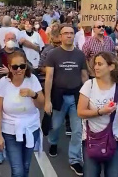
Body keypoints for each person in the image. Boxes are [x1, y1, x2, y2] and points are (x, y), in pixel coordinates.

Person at [77, 52, 118, 177]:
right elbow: (80, 112)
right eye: (95, 64)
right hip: (92, 139)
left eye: (100, 64)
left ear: (111, 67)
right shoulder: (89, 85)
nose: (96, 67)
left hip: (116, 139)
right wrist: (100, 112)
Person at [44, 24, 89, 176]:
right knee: (56, 125)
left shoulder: (80, 54)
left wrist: (89, 95)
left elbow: (84, 76)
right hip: (58, 96)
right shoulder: (53, 54)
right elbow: (49, 78)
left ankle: (74, 159)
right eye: (66, 33)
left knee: (77, 130)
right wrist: (47, 100)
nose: (69, 35)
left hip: (77, 96)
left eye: (71, 33)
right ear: (60, 36)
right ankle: (53, 142)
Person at [0, 51, 44, 177]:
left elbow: (41, 104)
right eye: (15, 67)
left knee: (26, 166)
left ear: (26, 66)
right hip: (10, 130)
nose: (19, 70)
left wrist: (33, 94)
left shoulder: (32, 79)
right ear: (9, 67)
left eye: (22, 66)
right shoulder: (3, 82)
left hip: (30, 128)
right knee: (17, 170)